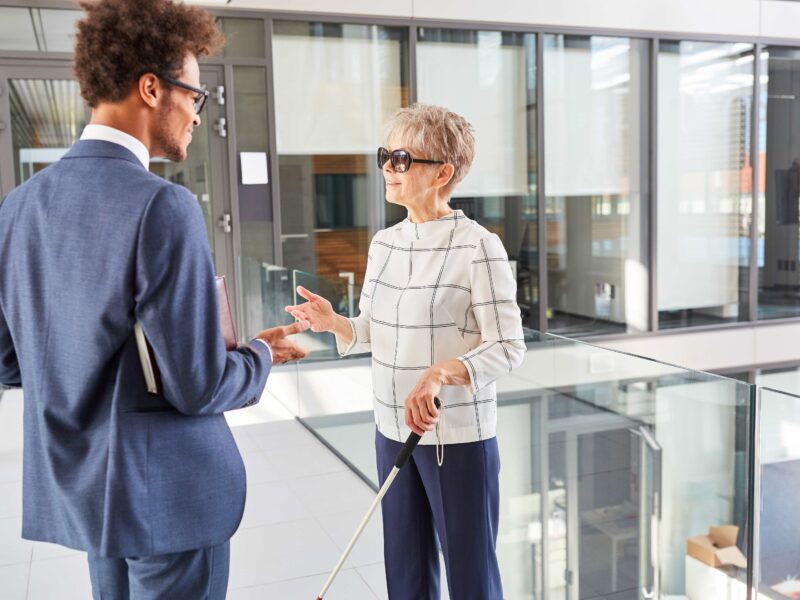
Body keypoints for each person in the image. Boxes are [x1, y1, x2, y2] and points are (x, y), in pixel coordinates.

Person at [0, 0, 309, 597]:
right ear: (151, 88)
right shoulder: (161, 206)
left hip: (88, 498)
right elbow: (198, 387)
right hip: (167, 499)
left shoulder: (17, 207)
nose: (197, 114)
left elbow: (10, 362)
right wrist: (259, 358)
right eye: (195, 95)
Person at [285, 103, 526, 599]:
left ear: (443, 172)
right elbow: (372, 329)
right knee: (406, 574)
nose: (387, 170)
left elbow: (508, 347)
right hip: (391, 429)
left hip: (457, 440)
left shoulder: (478, 246)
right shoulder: (385, 244)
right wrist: (335, 323)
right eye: (385, 157)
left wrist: (443, 373)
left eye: (401, 159)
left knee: (471, 579)